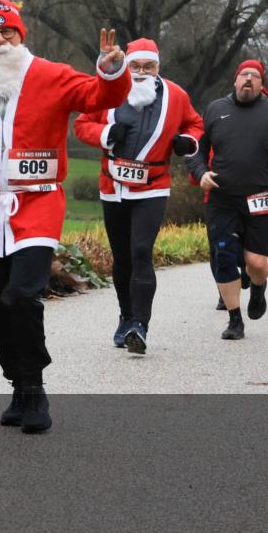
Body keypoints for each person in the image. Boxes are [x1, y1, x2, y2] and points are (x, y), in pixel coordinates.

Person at [0, 0, 130, 433]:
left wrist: (111, 68)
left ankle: (35, 388)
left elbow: (99, 94)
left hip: (38, 202)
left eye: (8, 31)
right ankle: (18, 383)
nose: (1, 39)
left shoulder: (52, 76)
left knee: (21, 294)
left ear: (21, 35)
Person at [74, 38, 203, 354]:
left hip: (152, 184)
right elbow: (82, 124)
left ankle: (140, 326)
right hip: (113, 186)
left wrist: (188, 142)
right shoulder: (107, 91)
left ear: (159, 66)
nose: (142, 72)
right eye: (136, 66)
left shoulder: (176, 95)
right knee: (122, 256)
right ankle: (126, 315)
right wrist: (105, 136)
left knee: (141, 250)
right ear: (127, 65)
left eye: (149, 66)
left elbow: (195, 125)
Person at [186, 59, 268, 340]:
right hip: (222, 197)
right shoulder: (216, 109)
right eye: (244, 75)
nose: (248, 79)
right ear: (235, 80)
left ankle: (259, 287)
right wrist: (200, 172)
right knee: (224, 254)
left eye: (255, 76)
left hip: (263, 197)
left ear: (262, 85)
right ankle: (234, 320)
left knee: (257, 263)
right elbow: (196, 150)